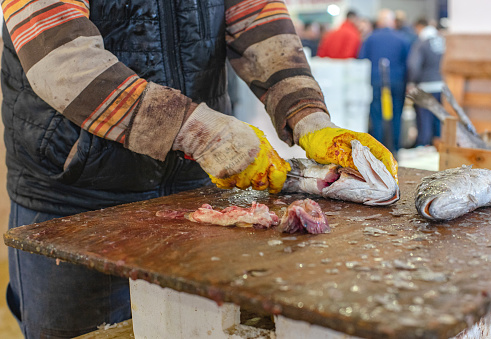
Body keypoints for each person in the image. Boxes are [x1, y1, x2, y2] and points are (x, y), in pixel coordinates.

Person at [1, 0, 397, 337]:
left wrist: (307, 113)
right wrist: (196, 131)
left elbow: (257, 18)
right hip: (77, 197)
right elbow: (61, 58)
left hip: (194, 189)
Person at [358, 9, 411, 152]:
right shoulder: (402, 38)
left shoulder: (370, 38)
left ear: (379, 22)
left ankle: (379, 148)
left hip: (375, 81)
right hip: (397, 82)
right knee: (396, 112)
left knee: (377, 113)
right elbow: (408, 63)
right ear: (392, 22)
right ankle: (394, 147)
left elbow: (361, 59)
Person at [407, 18, 446, 147]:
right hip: (442, 85)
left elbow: (413, 65)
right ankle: (438, 144)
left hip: (425, 85)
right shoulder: (443, 42)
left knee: (424, 118)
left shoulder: (421, 43)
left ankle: (424, 144)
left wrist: (412, 81)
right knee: (438, 117)